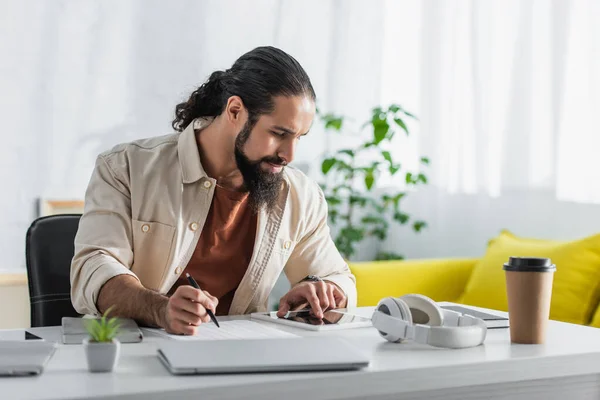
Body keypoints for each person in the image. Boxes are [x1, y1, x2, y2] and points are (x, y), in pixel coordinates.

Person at [70, 46, 357, 335]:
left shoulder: (299, 195)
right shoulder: (125, 168)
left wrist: (325, 292)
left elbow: (339, 278)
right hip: (139, 356)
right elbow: (93, 268)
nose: (289, 154)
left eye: (298, 137)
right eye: (278, 134)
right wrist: (159, 308)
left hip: (243, 361)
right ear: (235, 111)